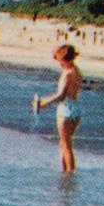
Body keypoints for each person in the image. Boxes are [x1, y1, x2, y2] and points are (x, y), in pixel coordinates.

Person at [32, 44, 83, 173]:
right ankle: (65, 172)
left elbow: (61, 95)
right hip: (76, 107)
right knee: (65, 144)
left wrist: (43, 103)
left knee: (65, 145)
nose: (59, 63)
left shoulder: (67, 74)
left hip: (66, 109)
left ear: (64, 59)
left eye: (59, 59)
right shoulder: (76, 70)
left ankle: (69, 174)